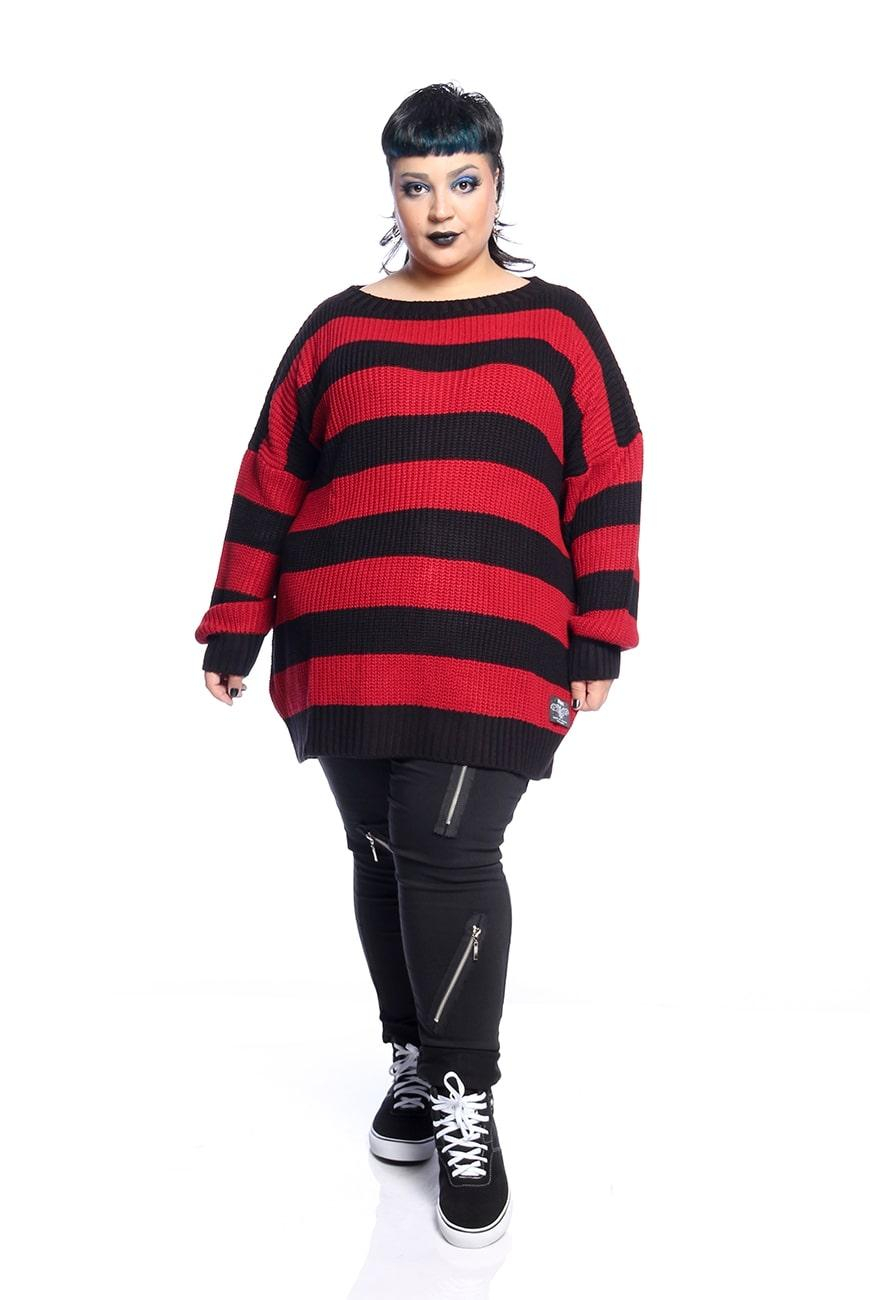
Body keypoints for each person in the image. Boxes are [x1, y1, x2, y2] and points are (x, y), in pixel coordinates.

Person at [194, 81, 643, 1249]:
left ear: (497, 183)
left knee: (450, 849)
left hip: (497, 648)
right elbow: (271, 473)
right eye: (415, 184)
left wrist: (603, 625)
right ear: (391, 191)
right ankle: (411, 1054)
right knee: (385, 852)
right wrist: (236, 620)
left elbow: (607, 471)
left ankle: (463, 1095)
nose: (440, 207)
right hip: (346, 641)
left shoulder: (557, 326)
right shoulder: (338, 328)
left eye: (463, 180)